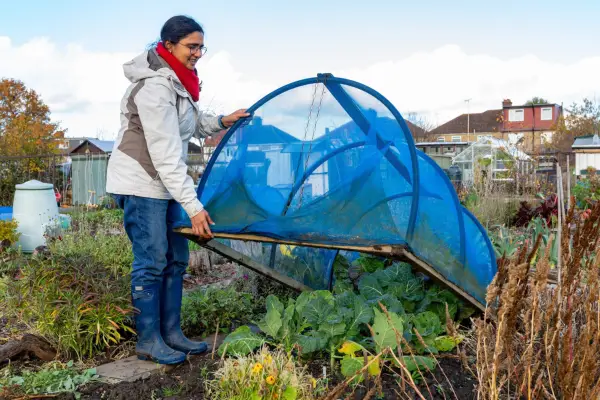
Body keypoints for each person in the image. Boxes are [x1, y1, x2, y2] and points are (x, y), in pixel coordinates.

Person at [106, 15, 249, 365]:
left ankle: (171, 333)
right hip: (142, 184)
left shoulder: (177, 81)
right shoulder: (154, 87)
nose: (198, 53)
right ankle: (149, 339)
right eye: (192, 46)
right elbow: (168, 154)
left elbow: (187, 123)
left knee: (176, 259)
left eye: (201, 46)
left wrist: (219, 121)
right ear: (169, 45)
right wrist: (193, 205)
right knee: (152, 260)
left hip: (164, 185)